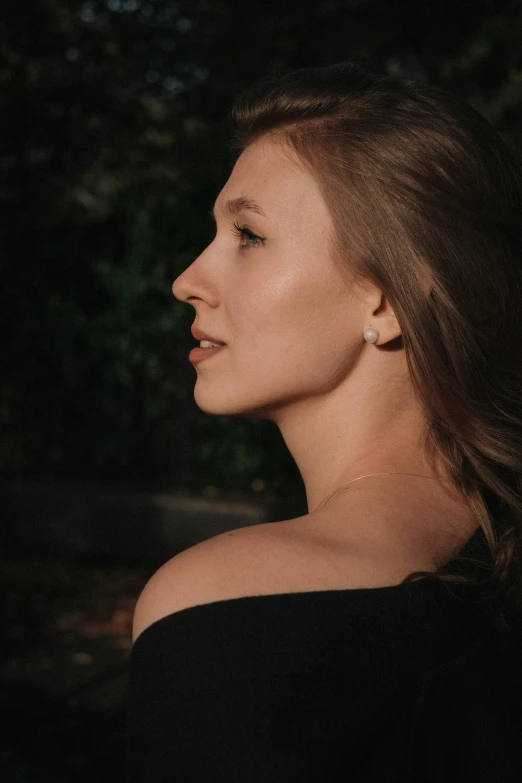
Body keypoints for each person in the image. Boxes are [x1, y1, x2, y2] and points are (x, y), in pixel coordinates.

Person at [126, 62, 522, 781]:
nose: (188, 279)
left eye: (247, 235)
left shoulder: (221, 608)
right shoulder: (493, 565)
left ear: (387, 299)